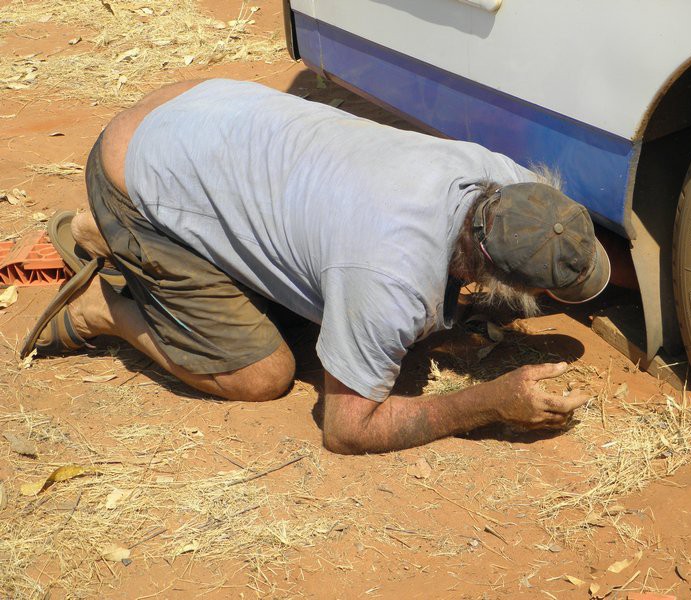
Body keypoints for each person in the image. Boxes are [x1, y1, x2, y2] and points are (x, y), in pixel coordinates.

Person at [21, 79, 610, 454]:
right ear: (489, 278)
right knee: (263, 375)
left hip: (200, 107)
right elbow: (347, 429)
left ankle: (104, 233)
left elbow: (561, 244)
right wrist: (487, 404)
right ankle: (107, 306)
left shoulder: (503, 182)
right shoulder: (391, 278)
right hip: (133, 172)